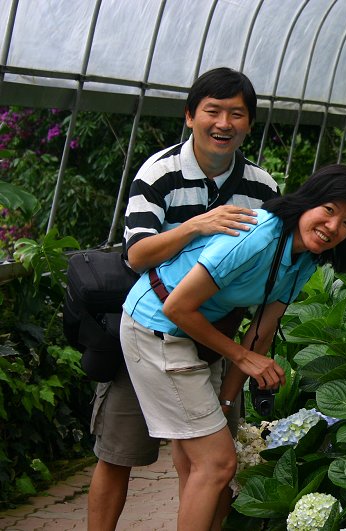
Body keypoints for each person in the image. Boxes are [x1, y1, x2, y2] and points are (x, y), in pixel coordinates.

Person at [119, 165, 346, 530]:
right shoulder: (256, 234)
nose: (334, 227)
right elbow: (175, 307)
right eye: (330, 210)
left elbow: (262, 329)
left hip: (199, 334)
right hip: (155, 326)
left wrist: (226, 400)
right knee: (217, 463)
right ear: (307, 201)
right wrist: (242, 357)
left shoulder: (305, 257)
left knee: (197, 461)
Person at [87, 67, 279, 531]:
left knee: (203, 461)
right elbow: (136, 254)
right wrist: (198, 224)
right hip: (149, 327)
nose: (224, 123)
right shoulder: (160, 172)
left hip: (212, 333)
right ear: (190, 115)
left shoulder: (262, 188)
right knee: (120, 452)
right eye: (212, 111)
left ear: (249, 124)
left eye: (237, 114)